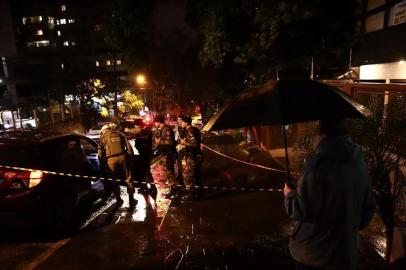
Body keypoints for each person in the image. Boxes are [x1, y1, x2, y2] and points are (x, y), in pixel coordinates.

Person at [283, 119, 375, 270]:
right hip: (345, 257)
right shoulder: (360, 164)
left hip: (314, 257)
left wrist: (289, 195)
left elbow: (300, 209)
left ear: (322, 134)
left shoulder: (318, 166)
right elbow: (367, 211)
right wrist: (345, 226)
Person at [98, 123, 136, 208]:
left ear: (104, 130)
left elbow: (100, 153)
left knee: (114, 180)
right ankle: (131, 199)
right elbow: (129, 147)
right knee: (128, 178)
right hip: (122, 157)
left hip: (110, 160)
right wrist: (131, 158)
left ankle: (118, 199)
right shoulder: (120, 134)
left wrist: (101, 163)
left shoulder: (102, 137)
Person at [154, 115, 180, 199]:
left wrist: (159, 141)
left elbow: (170, 142)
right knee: (169, 173)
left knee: (170, 173)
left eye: (155, 122)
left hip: (170, 154)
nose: (155, 124)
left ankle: (176, 190)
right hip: (167, 154)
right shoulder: (163, 129)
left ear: (159, 122)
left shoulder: (166, 129)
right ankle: (173, 190)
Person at [178, 115, 203, 201]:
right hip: (195, 155)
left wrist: (184, 142)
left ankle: (191, 194)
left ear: (185, 122)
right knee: (196, 175)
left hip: (193, 156)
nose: (180, 123)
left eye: (181, 122)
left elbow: (194, 143)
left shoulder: (190, 131)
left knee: (187, 175)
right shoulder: (192, 130)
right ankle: (198, 194)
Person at [175, 115, 186, 182]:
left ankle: (186, 174)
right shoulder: (178, 127)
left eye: (180, 119)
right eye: (178, 119)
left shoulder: (185, 128)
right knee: (178, 159)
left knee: (187, 159)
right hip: (179, 145)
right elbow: (176, 137)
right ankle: (180, 173)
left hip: (184, 146)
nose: (179, 121)